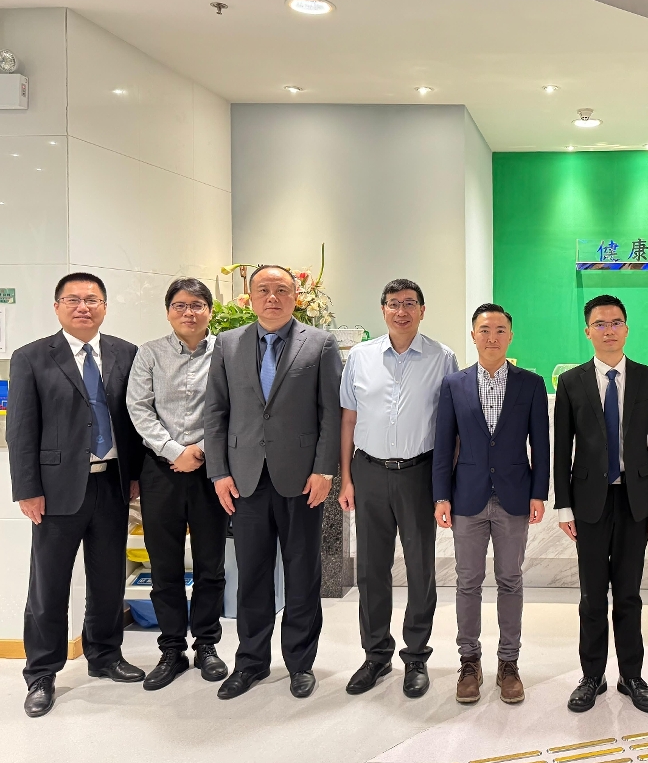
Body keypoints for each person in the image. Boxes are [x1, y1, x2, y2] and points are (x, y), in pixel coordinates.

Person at [7, 273, 146, 718]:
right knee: (49, 585)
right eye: (73, 299)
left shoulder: (126, 353)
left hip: (111, 483)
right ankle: (41, 673)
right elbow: (20, 429)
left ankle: (104, 655)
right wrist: (28, 489)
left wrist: (135, 476)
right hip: (55, 490)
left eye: (92, 299)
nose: (83, 306)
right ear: (57, 307)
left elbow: (133, 421)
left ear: (104, 306)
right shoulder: (31, 357)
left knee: (108, 578)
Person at [204, 265, 342, 700]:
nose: (272, 297)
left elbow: (330, 412)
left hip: (302, 479)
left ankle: (300, 663)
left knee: (303, 574)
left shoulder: (319, 343)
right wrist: (218, 472)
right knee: (252, 575)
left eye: (282, 290)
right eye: (263, 289)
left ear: (295, 296)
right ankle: (251, 662)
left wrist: (325, 470)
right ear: (250, 297)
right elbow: (216, 411)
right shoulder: (228, 343)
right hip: (245, 478)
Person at [338, 279, 458, 699]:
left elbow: (451, 427)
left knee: (421, 568)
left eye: (409, 303)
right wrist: (346, 478)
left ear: (422, 310)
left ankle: (417, 656)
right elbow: (348, 419)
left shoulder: (442, 358)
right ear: (383, 310)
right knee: (371, 569)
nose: (401, 311)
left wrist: (444, 486)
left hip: (419, 473)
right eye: (393, 304)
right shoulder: (360, 356)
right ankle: (375, 655)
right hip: (368, 471)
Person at [554, 294, 648, 714]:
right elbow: (561, 449)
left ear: (626, 328)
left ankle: (631, 676)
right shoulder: (571, 382)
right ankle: (592, 676)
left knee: (628, 595)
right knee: (591, 597)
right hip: (588, 503)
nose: (608, 330)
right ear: (588, 331)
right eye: (600, 324)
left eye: (616, 322)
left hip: (635, 501)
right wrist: (564, 507)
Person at [432, 304, 550, 705]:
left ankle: (508, 664)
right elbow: (443, 445)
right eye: (485, 329)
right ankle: (469, 662)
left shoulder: (530, 384)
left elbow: (541, 445)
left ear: (510, 336)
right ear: (473, 336)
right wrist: (441, 495)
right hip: (467, 497)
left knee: (510, 579)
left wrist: (538, 493)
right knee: (467, 581)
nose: (492, 337)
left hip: (514, 497)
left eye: (500, 329)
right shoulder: (454, 384)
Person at [127, 278, 228, 690]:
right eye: (181, 305)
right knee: (164, 563)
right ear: (168, 311)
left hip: (212, 469)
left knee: (211, 563)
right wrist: (173, 450)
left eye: (198, 305)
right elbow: (138, 407)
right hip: (160, 470)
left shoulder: (227, 351)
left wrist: (199, 450)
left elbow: (235, 408)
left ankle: (207, 644)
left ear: (210, 311)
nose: (189, 312)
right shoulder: (149, 353)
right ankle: (171, 648)